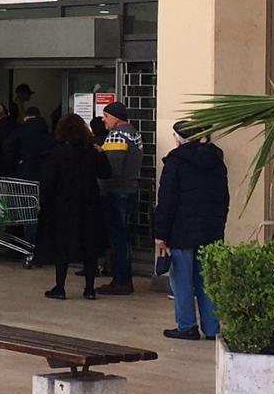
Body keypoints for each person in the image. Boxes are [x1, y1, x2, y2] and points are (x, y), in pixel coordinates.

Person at [154, 121, 230, 339]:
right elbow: (224, 198)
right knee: (206, 280)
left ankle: (187, 326)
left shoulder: (175, 162)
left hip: (181, 231)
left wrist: (160, 234)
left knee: (182, 281)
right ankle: (212, 328)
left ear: (179, 139)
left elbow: (166, 201)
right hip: (211, 231)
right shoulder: (217, 161)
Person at [39, 113, 112, 300]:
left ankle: (60, 287)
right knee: (89, 246)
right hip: (89, 204)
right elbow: (105, 173)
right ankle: (89, 289)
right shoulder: (91, 152)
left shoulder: (56, 154)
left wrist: (44, 203)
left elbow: (48, 182)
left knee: (61, 247)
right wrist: (101, 153)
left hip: (63, 206)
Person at [98, 101, 144, 295]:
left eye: (106, 116)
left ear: (115, 117)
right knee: (123, 237)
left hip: (116, 192)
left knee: (118, 239)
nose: (103, 120)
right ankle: (123, 279)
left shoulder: (117, 134)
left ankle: (121, 281)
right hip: (128, 190)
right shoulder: (133, 133)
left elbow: (111, 169)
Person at [3, 107, 55, 185]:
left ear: (25, 118)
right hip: (45, 176)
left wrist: (15, 164)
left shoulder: (20, 131)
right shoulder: (48, 134)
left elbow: (7, 145)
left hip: (23, 176)